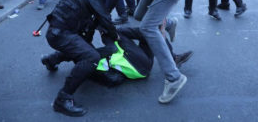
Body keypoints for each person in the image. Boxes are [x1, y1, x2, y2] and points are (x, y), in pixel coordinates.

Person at [43, 0, 118, 116]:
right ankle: (63, 99)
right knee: (92, 56)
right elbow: (106, 20)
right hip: (62, 34)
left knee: (83, 47)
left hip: (57, 31)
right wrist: (115, 36)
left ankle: (51, 60)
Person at [42, 19, 193, 87]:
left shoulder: (89, 55)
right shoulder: (92, 55)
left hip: (140, 65)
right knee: (125, 32)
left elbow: (73, 52)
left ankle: (170, 50)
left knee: (145, 34)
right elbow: (74, 53)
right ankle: (170, 48)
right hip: (137, 64)